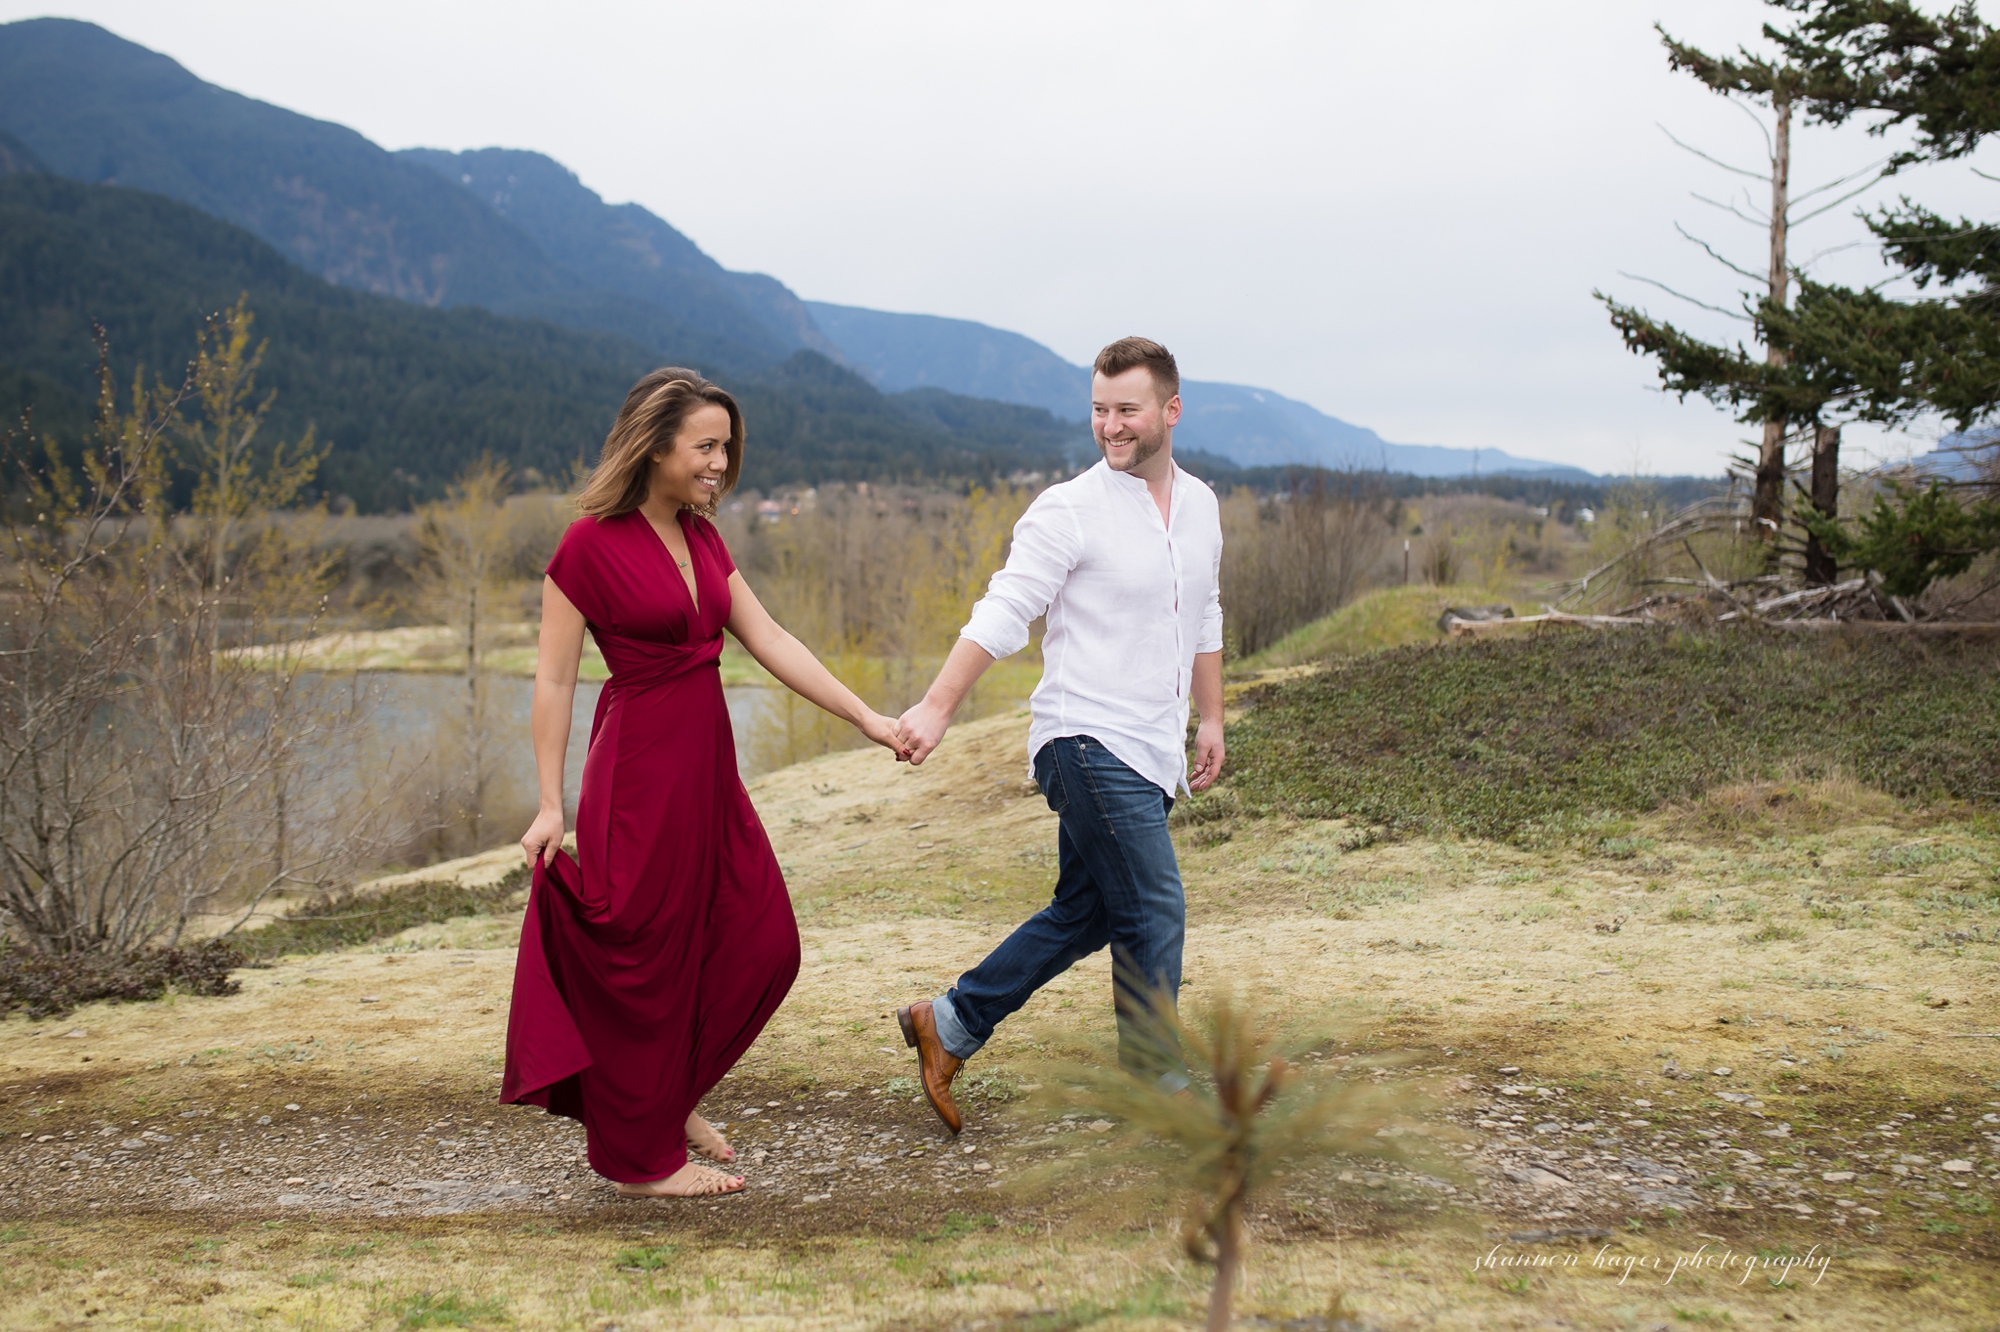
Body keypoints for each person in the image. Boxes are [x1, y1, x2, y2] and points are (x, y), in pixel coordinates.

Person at [504, 368, 908, 1198]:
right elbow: (552, 682)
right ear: (655, 447)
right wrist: (551, 804)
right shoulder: (587, 545)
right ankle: (636, 1158)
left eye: (727, 447)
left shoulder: (704, 539)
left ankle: (670, 1092)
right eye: (706, 446)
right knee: (646, 958)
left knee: (761, 940)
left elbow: (771, 638)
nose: (721, 462)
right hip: (638, 775)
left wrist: (866, 718)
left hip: (709, 772)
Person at [892, 336, 1224, 1133]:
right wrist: (938, 706)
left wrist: (1209, 716)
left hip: (1150, 746)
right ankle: (1153, 1081)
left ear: (1170, 412)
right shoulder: (1069, 508)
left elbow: (1205, 611)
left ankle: (951, 1021)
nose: (1111, 427)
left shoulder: (1204, 505)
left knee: (1092, 909)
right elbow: (1005, 610)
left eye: (1127, 411)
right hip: (1083, 736)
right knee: (1154, 903)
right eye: (1100, 411)